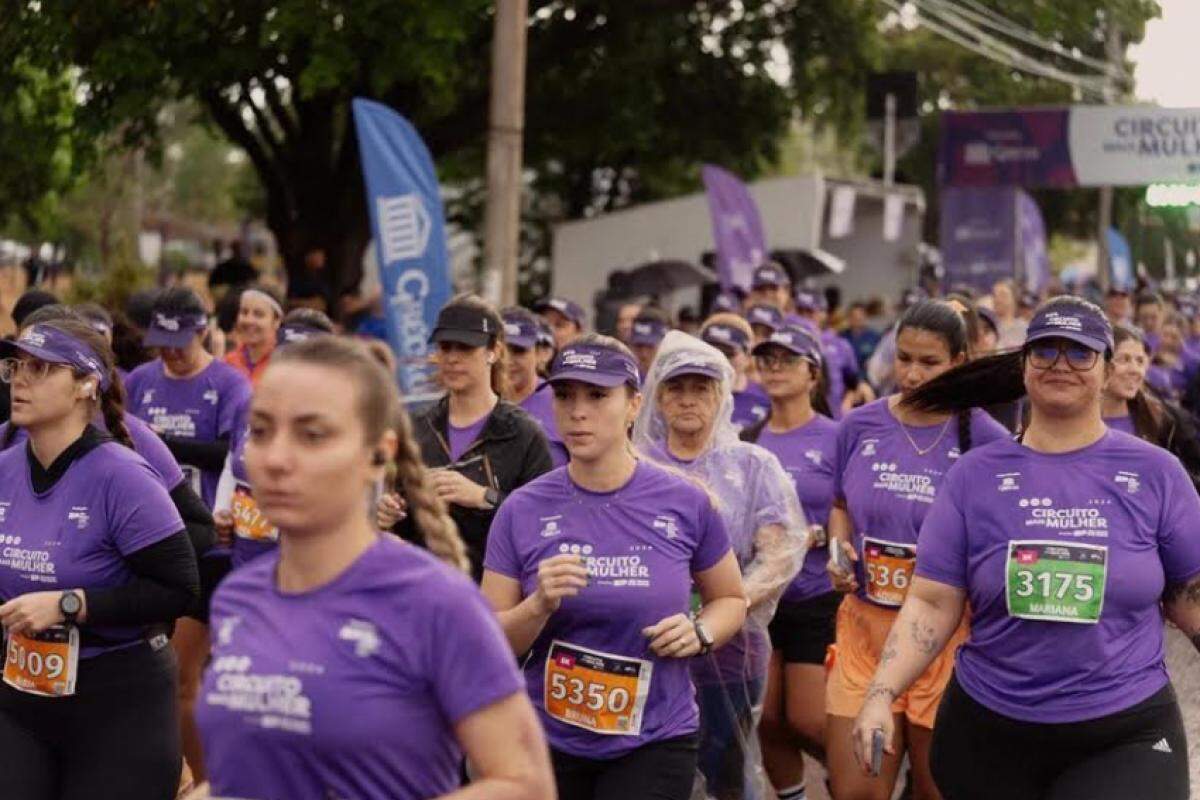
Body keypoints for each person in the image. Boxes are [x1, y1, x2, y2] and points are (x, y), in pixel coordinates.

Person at [852, 296, 1200, 800]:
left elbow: (1190, 596)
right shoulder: (974, 475)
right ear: (1024, 366)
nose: (1061, 364)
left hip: (1123, 730)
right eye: (1045, 351)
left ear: (1105, 369)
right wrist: (881, 694)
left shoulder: (1156, 473)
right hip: (990, 732)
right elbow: (931, 600)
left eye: (1079, 353)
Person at [196, 336, 555, 800]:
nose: (277, 458)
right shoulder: (238, 596)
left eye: (313, 435)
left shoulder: (436, 602)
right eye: (261, 431)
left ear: (378, 455)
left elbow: (526, 784)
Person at [481, 335, 749, 800]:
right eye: (565, 395)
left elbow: (729, 598)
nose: (578, 411)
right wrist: (538, 606)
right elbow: (489, 641)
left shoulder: (685, 501)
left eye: (598, 395)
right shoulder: (521, 510)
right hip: (547, 738)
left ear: (634, 405)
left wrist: (701, 632)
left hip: (654, 739)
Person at [0, 317, 200, 798]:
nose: (21, 378)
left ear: (86, 384)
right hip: (21, 696)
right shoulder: (3, 466)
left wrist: (71, 604)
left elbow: (179, 588)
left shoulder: (123, 477)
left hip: (118, 701)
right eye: (17, 365)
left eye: (43, 368)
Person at [824, 299, 1009, 800]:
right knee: (856, 790)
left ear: (960, 360)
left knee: (936, 790)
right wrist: (839, 545)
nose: (912, 373)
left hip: (946, 643)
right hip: (865, 634)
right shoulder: (859, 426)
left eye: (929, 362)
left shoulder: (989, 442)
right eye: (904, 358)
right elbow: (840, 504)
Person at [633, 332, 808, 800]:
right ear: (656, 396)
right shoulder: (633, 465)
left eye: (701, 388)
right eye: (676, 388)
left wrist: (724, 608)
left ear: (721, 395)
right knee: (652, 774)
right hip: (644, 650)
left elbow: (780, 552)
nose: (688, 399)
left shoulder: (752, 466)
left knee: (726, 773)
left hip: (730, 655)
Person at [123, 287, 252, 782]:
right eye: (161, 341)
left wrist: (158, 443)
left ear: (203, 331)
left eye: (180, 340)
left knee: (189, 677)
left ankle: (200, 781)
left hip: (208, 546)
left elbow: (233, 456)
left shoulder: (230, 385)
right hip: (144, 541)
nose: (170, 351)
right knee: (152, 676)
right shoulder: (138, 381)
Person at [740, 325, 839, 800]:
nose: (774, 368)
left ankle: (855, 780)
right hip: (762, 597)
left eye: (787, 359)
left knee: (806, 717)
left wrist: (823, 536)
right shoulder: (749, 440)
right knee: (768, 717)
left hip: (816, 596)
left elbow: (853, 508)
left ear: (812, 373)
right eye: (766, 359)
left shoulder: (837, 437)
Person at [403, 295, 553, 580]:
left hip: (493, 595)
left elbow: (546, 522)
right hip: (420, 591)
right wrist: (389, 512)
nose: (453, 358)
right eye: (445, 347)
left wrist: (484, 497)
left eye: (466, 347)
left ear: (493, 351)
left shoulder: (523, 434)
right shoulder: (415, 428)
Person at [213, 309, 336, 570]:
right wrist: (222, 509)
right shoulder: (250, 404)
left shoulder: (334, 423)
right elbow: (231, 463)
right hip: (245, 562)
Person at [1101, 323, 1200, 486]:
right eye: (1124, 359)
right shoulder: (1074, 419)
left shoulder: (1165, 419)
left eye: (1140, 361)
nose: (1135, 369)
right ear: (1103, 364)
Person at [501, 307, 568, 468]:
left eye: (518, 351)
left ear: (540, 354)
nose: (508, 360)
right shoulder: (475, 404)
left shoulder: (562, 402)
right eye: (501, 351)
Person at [702, 314, 771, 430]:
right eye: (711, 351)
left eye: (728, 353)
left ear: (748, 357)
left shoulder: (765, 401)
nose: (720, 359)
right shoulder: (684, 397)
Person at [223, 285, 283, 384]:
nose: (249, 320)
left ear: (276, 321)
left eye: (258, 314)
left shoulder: (284, 364)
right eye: (244, 312)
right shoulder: (227, 363)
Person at [629, 308, 670, 380]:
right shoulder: (627, 381)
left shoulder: (674, 379)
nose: (644, 354)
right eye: (639, 346)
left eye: (650, 347)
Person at [843, 302, 882, 372]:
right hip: (848, 379)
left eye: (860, 315)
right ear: (849, 318)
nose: (858, 318)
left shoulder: (874, 337)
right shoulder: (842, 338)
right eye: (854, 316)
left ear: (865, 316)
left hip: (868, 378)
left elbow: (882, 359)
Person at [990, 280, 1027, 350]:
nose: (997, 299)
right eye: (994, 295)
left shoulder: (1024, 329)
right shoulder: (988, 328)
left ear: (1014, 299)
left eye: (1003, 295)